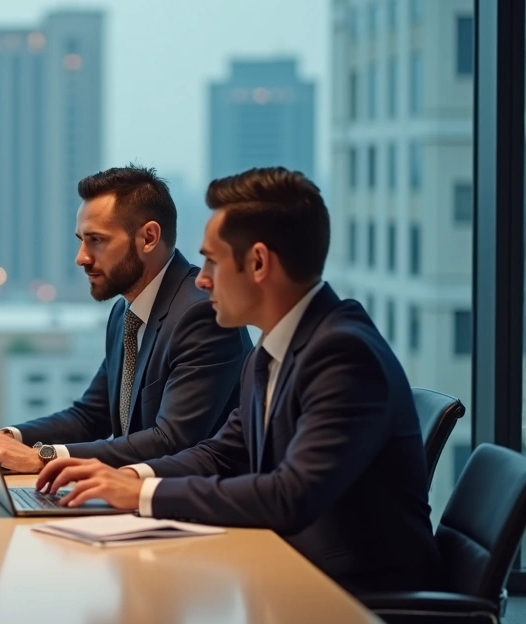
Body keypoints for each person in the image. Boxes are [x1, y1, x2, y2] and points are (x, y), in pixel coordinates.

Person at [37, 167, 442, 594]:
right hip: (285, 572)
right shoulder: (272, 351)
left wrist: (140, 496)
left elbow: (289, 495)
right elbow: (221, 453)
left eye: (213, 259)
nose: (202, 278)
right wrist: (131, 478)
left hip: (354, 595)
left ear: (259, 263)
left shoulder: (343, 353)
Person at [0, 165, 251, 472]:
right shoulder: (124, 314)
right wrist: (7, 438)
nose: (81, 257)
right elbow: (90, 417)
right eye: (81, 240)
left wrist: (42, 457)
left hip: (194, 508)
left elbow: (171, 440)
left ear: (149, 237)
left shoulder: (201, 314)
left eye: (96, 240)